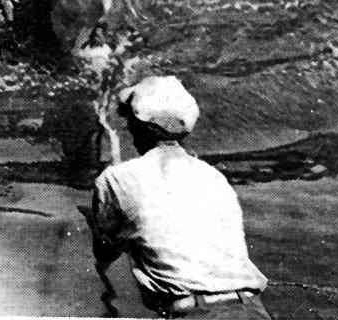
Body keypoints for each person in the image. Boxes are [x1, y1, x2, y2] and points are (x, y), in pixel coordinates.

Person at [87, 76, 272, 318]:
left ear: (134, 125)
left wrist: (99, 222)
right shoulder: (214, 177)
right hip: (253, 311)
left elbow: (105, 252)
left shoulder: (116, 179)